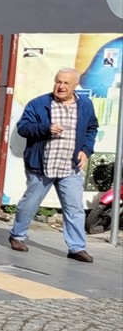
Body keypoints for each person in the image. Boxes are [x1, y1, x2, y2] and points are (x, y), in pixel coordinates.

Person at [8, 68, 99, 263]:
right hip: (42, 165)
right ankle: (17, 236)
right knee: (30, 204)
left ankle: (77, 248)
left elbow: (92, 128)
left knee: (74, 208)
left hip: (69, 167)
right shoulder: (39, 104)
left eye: (66, 83)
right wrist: (45, 129)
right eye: (58, 81)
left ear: (75, 86)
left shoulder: (85, 105)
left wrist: (86, 150)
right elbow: (23, 128)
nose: (61, 86)